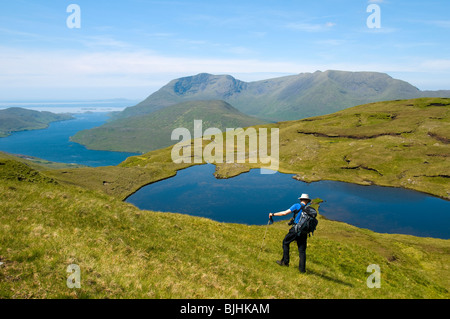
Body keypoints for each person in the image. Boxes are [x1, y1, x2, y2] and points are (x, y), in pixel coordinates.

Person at [269, 193, 312, 273]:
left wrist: (273, 214)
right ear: (307, 201)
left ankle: (285, 262)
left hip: (295, 230)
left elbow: (284, 213)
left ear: (300, 199)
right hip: (304, 232)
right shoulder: (309, 209)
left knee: (285, 242)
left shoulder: (297, 206)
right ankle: (302, 270)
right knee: (302, 251)